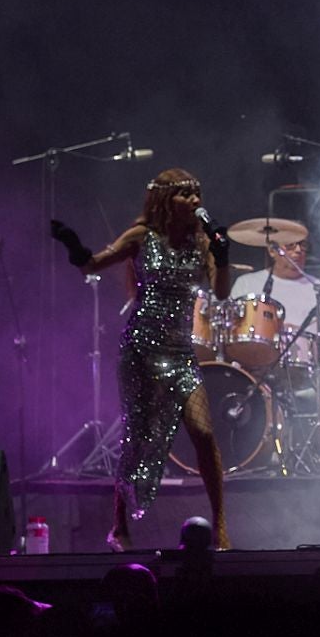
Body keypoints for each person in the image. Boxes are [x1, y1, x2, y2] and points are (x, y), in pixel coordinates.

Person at [49, 168, 232, 551]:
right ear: (166, 201)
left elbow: (221, 293)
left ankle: (220, 527)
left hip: (181, 352)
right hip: (141, 351)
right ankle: (119, 527)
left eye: (198, 193)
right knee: (137, 436)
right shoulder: (141, 237)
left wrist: (223, 254)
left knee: (204, 433)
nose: (197, 201)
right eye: (187, 195)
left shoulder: (201, 243)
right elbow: (92, 265)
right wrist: (73, 246)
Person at [229, 231, 320, 458]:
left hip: (309, 373)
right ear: (273, 250)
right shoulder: (247, 283)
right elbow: (229, 330)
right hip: (257, 370)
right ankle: (253, 453)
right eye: (291, 245)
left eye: (303, 245)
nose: (299, 250)